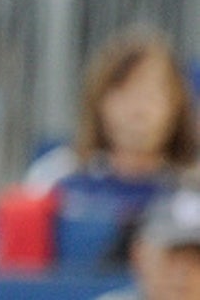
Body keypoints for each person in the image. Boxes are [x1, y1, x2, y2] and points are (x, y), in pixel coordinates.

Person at [23, 23, 198, 271]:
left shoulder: (192, 190)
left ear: (177, 107)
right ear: (99, 101)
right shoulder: (54, 179)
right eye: (125, 90)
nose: (139, 109)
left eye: (153, 93)